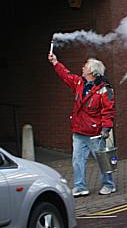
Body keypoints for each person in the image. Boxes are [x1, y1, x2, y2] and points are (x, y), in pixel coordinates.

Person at [48, 54, 116, 197]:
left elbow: (108, 110)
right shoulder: (80, 83)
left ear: (91, 71)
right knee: (77, 161)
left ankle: (109, 185)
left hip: (95, 133)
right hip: (79, 131)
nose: (82, 68)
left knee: (102, 161)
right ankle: (80, 187)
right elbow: (66, 76)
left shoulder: (105, 89)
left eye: (85, 67)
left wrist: (106, 128)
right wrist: (55, 62)